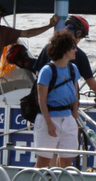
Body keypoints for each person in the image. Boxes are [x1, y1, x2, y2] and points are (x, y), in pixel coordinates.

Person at [32, 15, 96, 97]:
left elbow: (38, 74)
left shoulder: (48, 48)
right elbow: (91, 83)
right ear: (78, 34)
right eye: (81, 37)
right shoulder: (79, 55)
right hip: (67, 101)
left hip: (45, 98)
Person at [33, 32, 81, 168]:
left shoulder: (73, 69)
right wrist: (49, 123)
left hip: (68, 118)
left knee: (67, 161)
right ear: (65, 50)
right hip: (48, 119)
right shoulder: (47, 70)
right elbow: (41, 100)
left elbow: (75, 95)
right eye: (73, 47)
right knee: (43, 162)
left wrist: (74, 117)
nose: (76, 50)